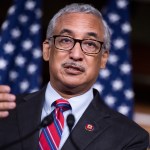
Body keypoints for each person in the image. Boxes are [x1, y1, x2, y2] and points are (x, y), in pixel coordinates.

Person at [0, 3, 149, 150]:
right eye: (65, 40)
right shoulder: (5, 113)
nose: (76, 55)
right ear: (47, 50)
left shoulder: (130, 138)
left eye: (90, 44)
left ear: (103, 58)